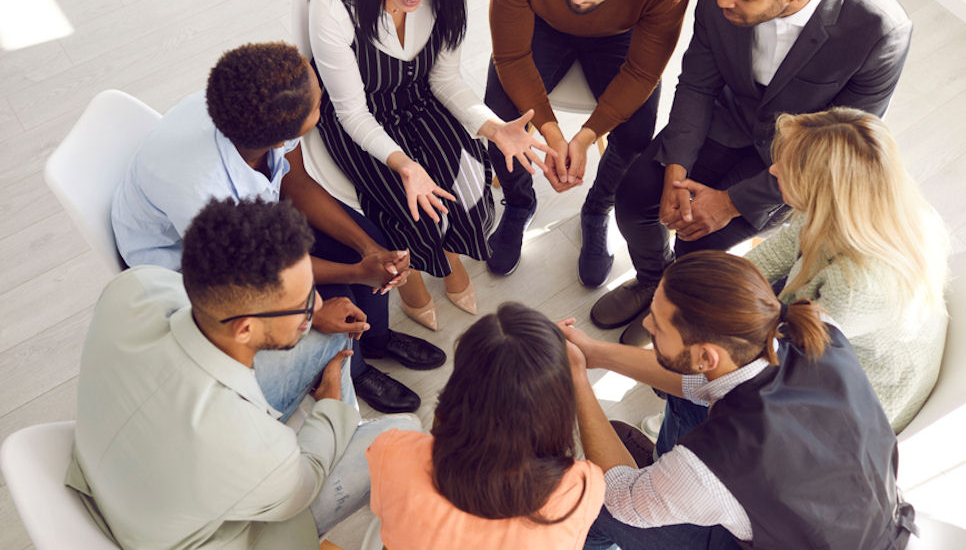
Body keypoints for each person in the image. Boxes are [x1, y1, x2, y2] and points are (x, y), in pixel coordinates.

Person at [591, 0, 913, 338]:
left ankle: (673, 297)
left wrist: (731, 203)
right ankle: (650, 279)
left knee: (698, 245)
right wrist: (676, 169)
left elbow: (840, 150)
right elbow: (698, 82)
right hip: (720, 121)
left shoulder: (879, 30)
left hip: (785, 163)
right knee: (633, 198)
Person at [68, 197, 422, 549]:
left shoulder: (134, 287)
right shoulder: (247, 444)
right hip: (222, 532)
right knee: (406, 436)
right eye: (303, 301)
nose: (317, 304)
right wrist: (331, 406)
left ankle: (345, 432)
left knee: (329, 335)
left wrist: (308, 319)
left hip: (120, 471)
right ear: (245, 328)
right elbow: (305, 480)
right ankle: (346, 430)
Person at [112, 42, 443, 414]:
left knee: (370, 244)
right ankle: (354, 368)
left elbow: (295, 183)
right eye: (319, 106)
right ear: (281, 137)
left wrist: (368, 251)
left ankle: (377, 339)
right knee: (330, 299)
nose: (324, 103)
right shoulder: (206, 196)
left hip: (252, 226)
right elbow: (257, 273)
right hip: (198, 269)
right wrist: (322, 303)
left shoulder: (253, 113)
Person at [309, 0, 552, 331]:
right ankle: (415, 279)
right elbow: (351, 110)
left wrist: (493, 128)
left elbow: (444, 80)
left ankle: (449, 255)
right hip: (360, 116)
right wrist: (406, 165)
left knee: (470, 185)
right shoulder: (332, 2)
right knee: (410, 204)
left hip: (418, 97)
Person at [562, 251, 915, 550]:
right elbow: (700, 382)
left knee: (587, 492)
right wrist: (594, 354)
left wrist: (578, 380)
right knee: (684, 405)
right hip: (862, 516)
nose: (647, 323)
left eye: (658, 325)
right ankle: (664, 483)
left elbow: (620, 496)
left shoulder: (713, 465)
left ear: (707, 357)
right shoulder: (817, 328)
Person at [484, 0, 692, 285]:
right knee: (499, 117)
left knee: (637, 131)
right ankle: (518, 200)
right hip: (541, 24)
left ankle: (598, 208)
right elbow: (509, 57)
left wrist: (584, 137)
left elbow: (643, 74)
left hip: (620, 34)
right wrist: (550, 129)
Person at [745, 108, 949, 432]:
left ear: (821, 188)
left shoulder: (855, 287)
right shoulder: (862, 206)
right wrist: (716, 276)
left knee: (705, 373)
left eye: (788, 166)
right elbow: (782, 248)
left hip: (851, 410)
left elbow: (785, 350)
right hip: (834, 346)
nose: (773, 168)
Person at [365, 302, 605, 549]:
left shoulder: (392, 451)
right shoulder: (583, 487)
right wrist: (562, 369)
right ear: (557, 407)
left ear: (459, 386)